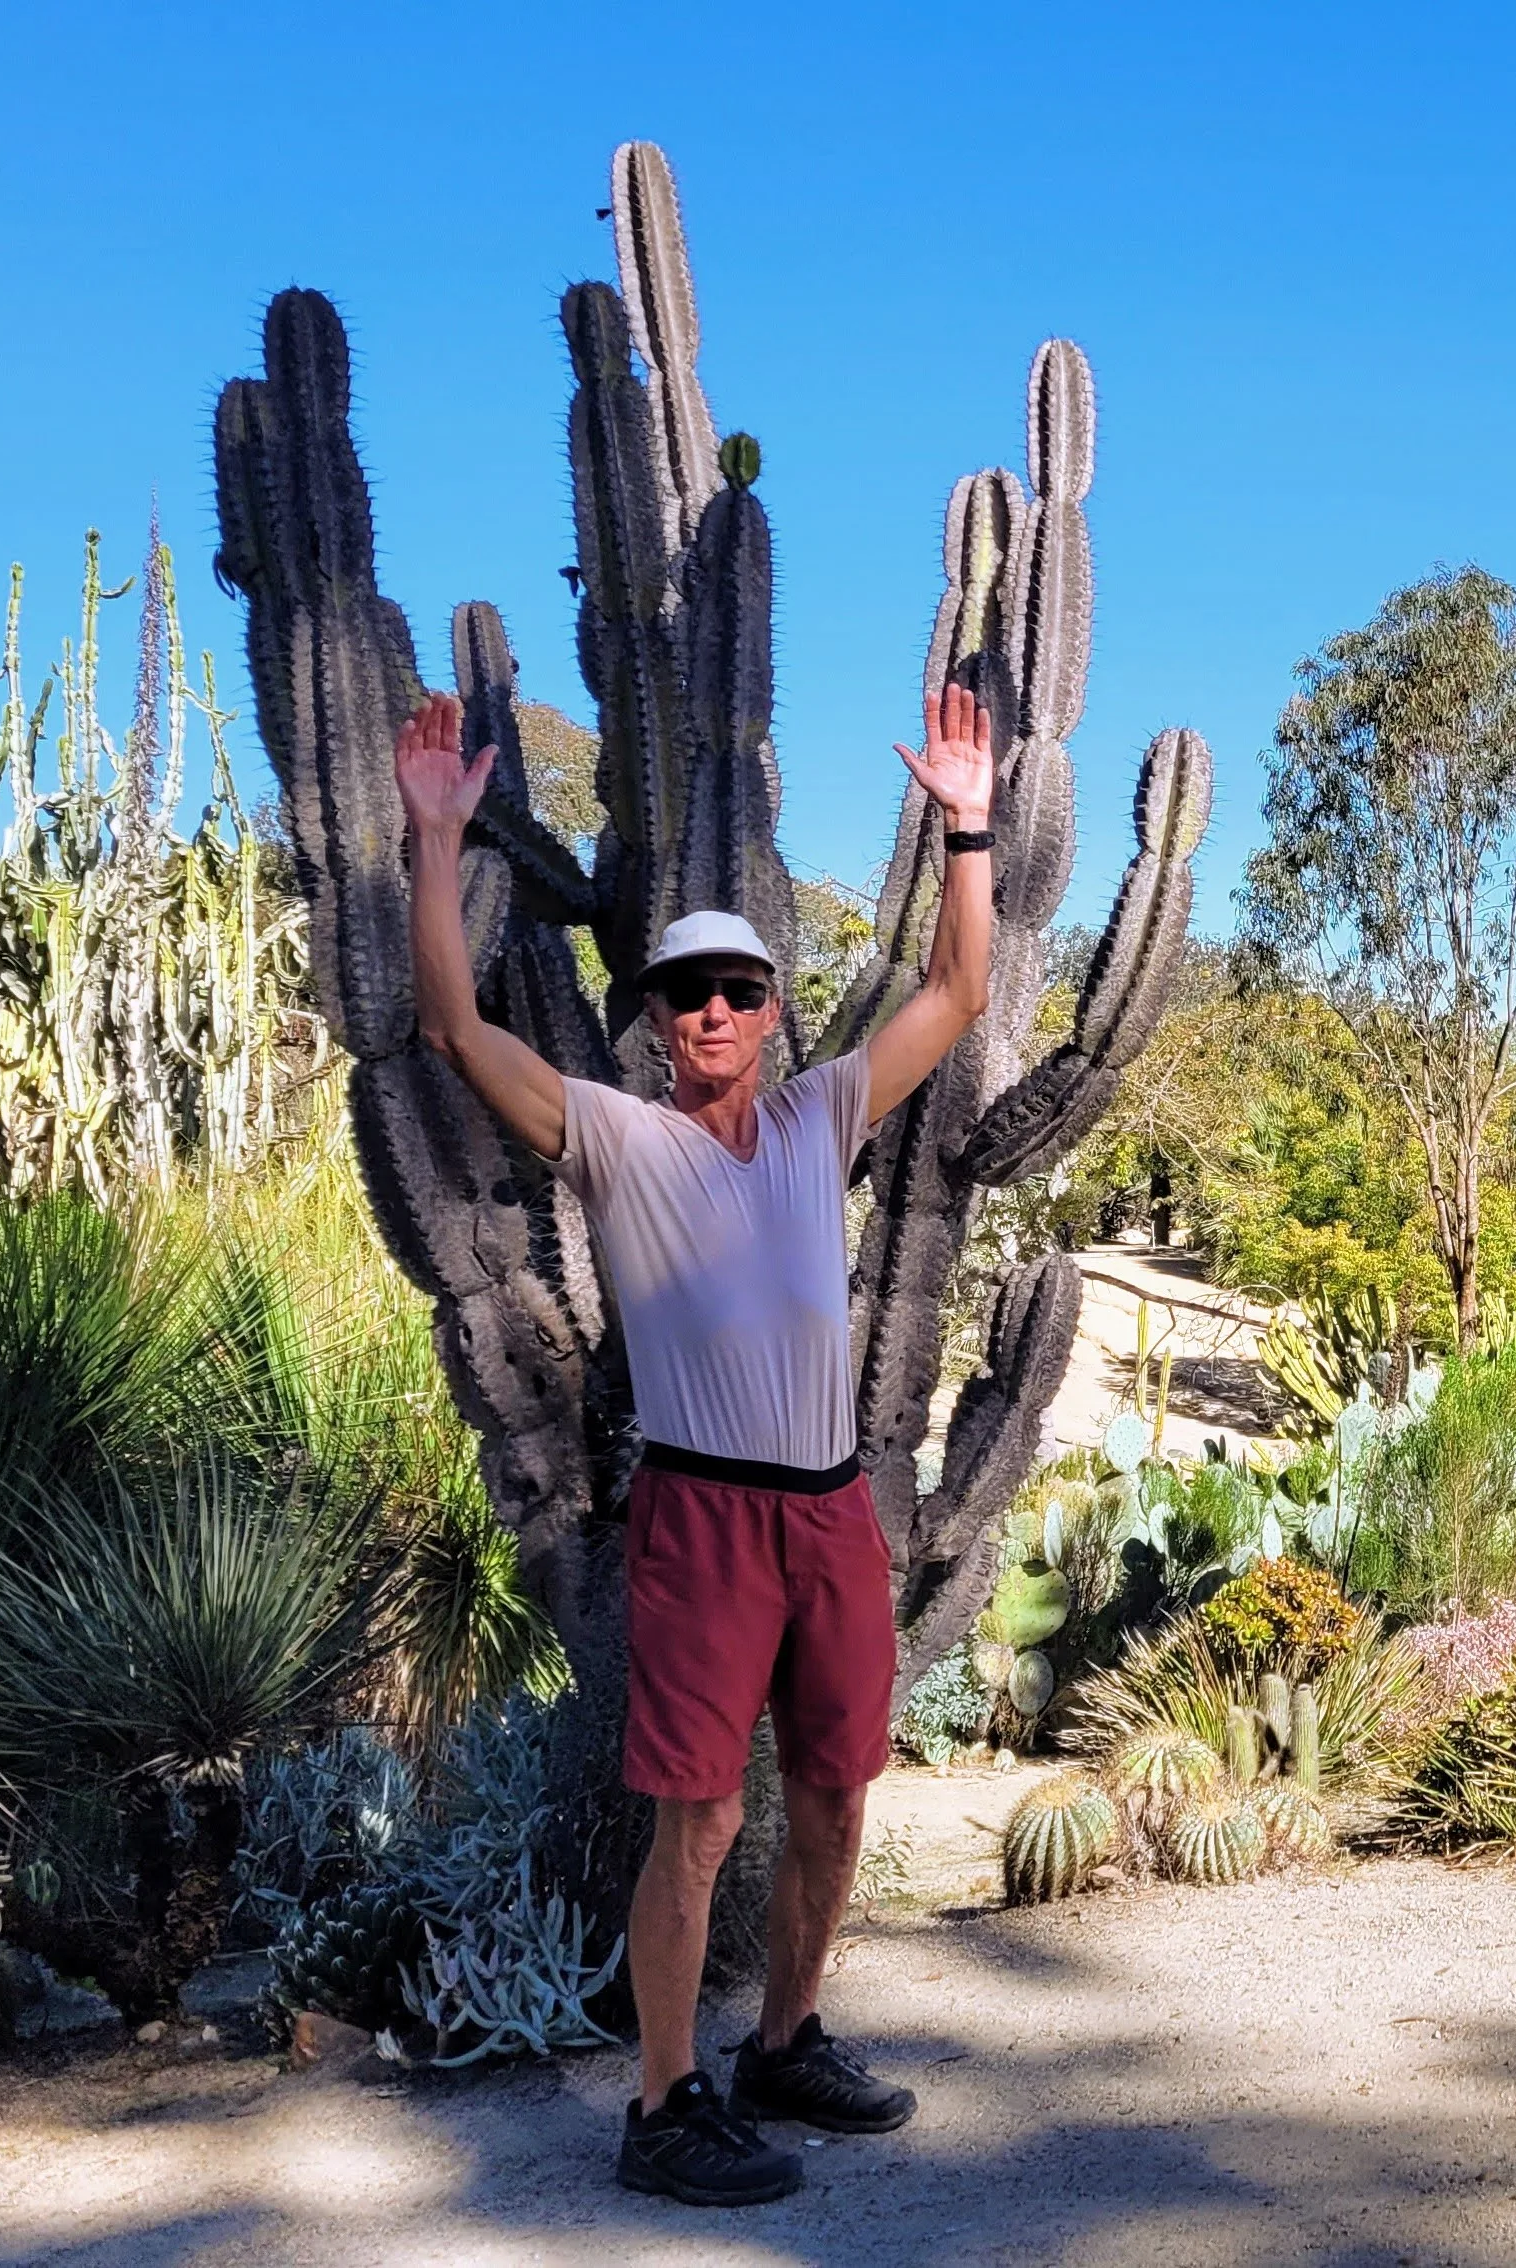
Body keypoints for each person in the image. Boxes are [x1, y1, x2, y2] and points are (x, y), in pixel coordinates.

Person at [393, 678, 997, 2207]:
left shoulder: (823, 1117)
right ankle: (663, 2106)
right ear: (655, 1025)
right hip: (708, 1522)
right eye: (686, 996)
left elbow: (958, 988)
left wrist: (970, 828)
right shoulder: (619, 1137)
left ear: (775, 1008)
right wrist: (433, 840)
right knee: (704, 1811)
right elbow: (456, 1026)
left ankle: (783, 2041)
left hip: (833, 1511)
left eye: (739, 988)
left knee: (839, 1792)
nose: (713, 1010)